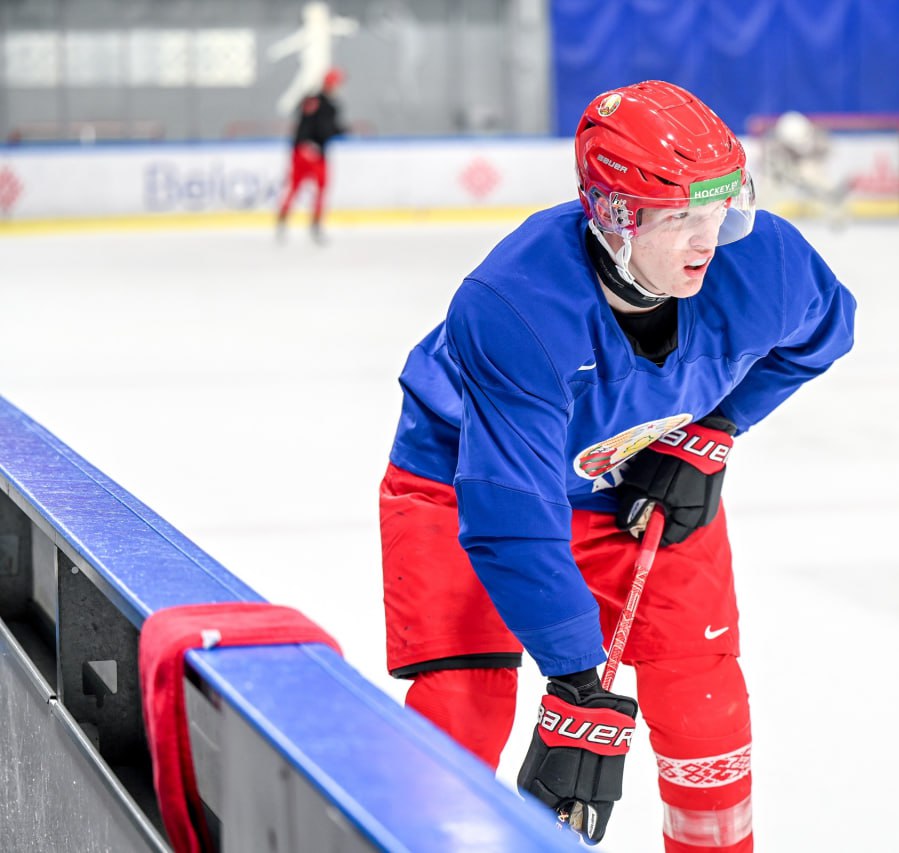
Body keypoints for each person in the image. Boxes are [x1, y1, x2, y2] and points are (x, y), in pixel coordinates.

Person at [379, 80, 855, 851]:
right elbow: (512, 512)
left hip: (631, 466)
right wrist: (576, 679)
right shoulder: (515, 305)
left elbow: (824, 331)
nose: (709, 240)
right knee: (464, 703)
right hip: (465, 475)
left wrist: (714, 429)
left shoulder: (762, 265)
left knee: (701, 697)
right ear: (614, 215)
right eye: (679, 217)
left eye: (720, 208)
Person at [277, 67, 348, 244]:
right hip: (311, 152)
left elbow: (304, 122)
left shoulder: (312, 100)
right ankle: (313, 225)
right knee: (318, 188)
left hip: (302, 149)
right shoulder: (328, 106)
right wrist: (341, 131)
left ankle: (284, 222)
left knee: (296, 187)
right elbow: (325, 129)